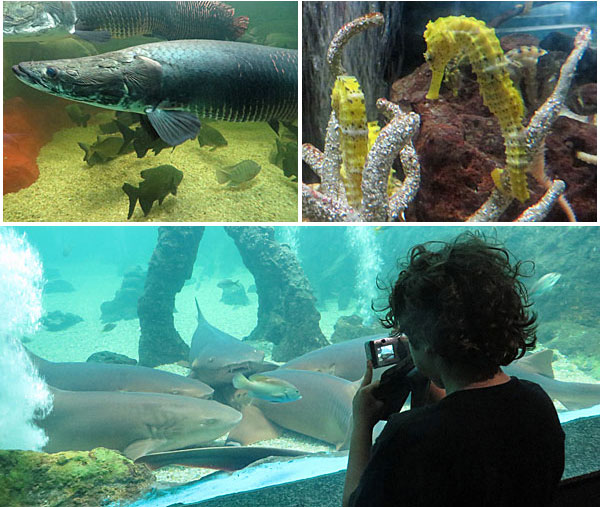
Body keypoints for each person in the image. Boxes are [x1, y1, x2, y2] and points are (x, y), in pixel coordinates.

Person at [342, 232, 565, 507]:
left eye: (409, 339)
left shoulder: (409, 435)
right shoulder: (538, 403)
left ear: (428, 344)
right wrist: (426, 405)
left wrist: (362, 425)